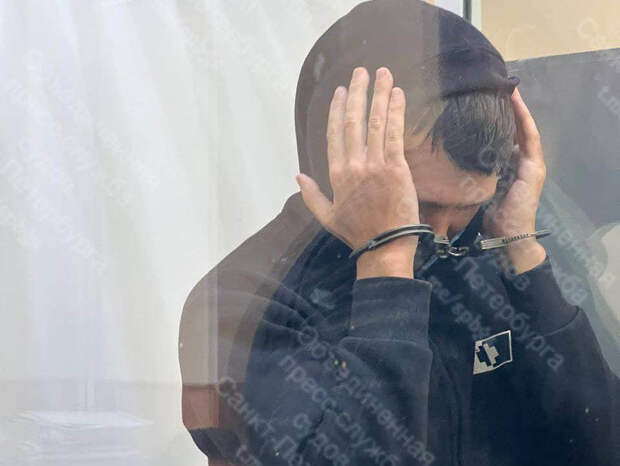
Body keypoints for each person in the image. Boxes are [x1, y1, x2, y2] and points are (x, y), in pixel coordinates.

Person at [179, 1, 619, 465]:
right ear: (339, 161)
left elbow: (602, 446)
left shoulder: (490, 251)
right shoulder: (237, 305)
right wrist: (385, 265)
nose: (441, 234)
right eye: (419, 205)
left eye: (466, 206)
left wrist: (522, 253)